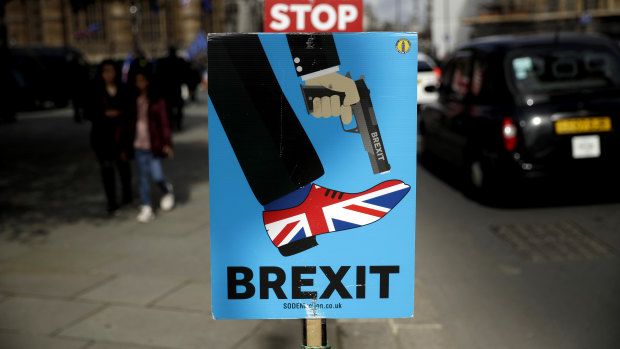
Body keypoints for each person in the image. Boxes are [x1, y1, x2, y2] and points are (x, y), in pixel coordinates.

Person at [86, 59, 132, 215]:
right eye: (105, 71)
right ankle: (111, 201)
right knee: (107, 168)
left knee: (123, 167)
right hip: (102, 136)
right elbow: (88, 112)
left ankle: (127, 195)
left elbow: (130, 110)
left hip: (121, 136)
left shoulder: (123, 89)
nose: (108, 74)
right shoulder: (95, 91)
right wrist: (104, 114)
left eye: (111, 71)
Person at [129, 68, 175, 223]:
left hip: (154, 145)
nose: (139, 84)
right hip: (138, 145)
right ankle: (147, 206)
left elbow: (164, 123)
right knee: (143, 177)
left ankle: (166, 189)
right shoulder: (133, 100)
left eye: (142, 80)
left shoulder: (157, 100)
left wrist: (167, 143)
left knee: (157, 175)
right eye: (137, 80)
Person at [156, 46, 190, 130]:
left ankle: (172, 123)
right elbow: (186, 74)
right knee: (177, 107)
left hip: (168, 89)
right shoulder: (179, 61)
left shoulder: (163, 62)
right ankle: (177, 123)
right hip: (175, 89)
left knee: (169, 108)